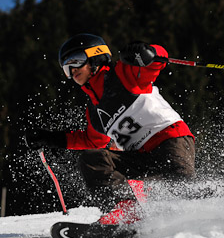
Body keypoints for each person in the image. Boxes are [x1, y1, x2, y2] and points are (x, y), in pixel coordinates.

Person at [24, 33, 195, 225]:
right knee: (93, 158)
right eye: (66, 68)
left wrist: (149, 52)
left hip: (169, 139)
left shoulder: (122, 74)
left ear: (95, 57)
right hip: (140, 156)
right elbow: (91, 141)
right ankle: (127, 210)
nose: (72, 71)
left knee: (181, 190)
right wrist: (50, 138)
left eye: (76, 62)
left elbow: (155, 63)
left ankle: (217, 203)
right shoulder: (94, 111)